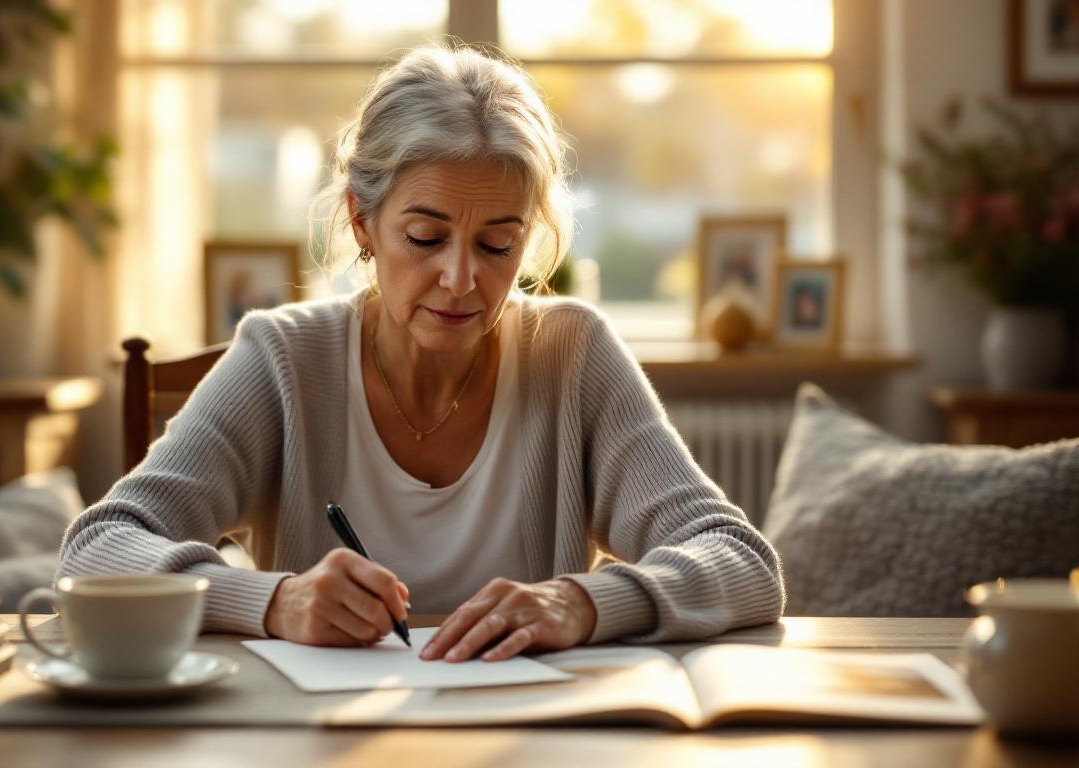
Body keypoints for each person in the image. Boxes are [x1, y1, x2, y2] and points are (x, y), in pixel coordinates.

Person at [58, 44, 784, 663]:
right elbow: (97, 548)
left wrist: (582, 603)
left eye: (497, 244)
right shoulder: (283, 359)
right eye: (426, 238)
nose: (461, 279)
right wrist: (275, 600)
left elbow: (741, 560)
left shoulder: (572, 354)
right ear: (362, 221)